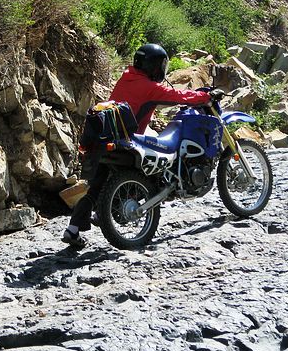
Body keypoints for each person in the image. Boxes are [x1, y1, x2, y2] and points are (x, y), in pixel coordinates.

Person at [62, 43, 217, 248]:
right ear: (153, 65)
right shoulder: (149, 87)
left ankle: (73, 230)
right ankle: (119, 212)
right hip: (129, 140)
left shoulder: (126, 78)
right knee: (152, 174)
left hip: (107, 138)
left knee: (95, 189)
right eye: (161, 64)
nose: (162, 69)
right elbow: (177, 97)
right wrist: (205, 96)